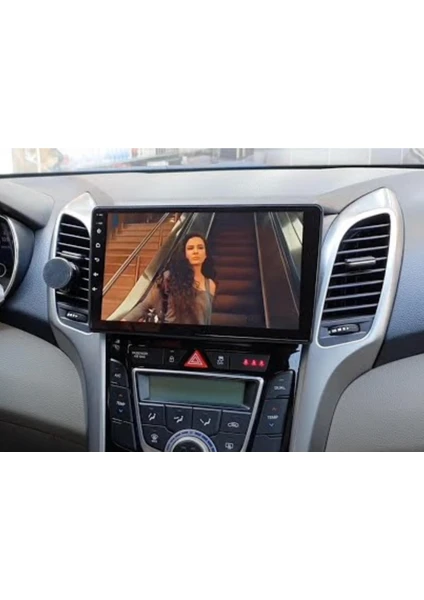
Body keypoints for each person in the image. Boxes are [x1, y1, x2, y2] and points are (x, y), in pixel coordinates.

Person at [121, 233, 216, 324]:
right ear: (184, 254)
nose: (196, 252)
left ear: (206, 254)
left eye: (200, 248)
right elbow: (144, 306)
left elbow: (206, 319)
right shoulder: (169, 278)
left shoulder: (210, 285)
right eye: (190, 248)